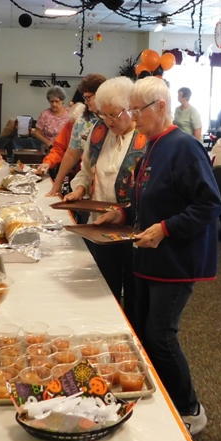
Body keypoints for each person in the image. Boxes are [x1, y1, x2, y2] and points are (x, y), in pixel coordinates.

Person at [97, 77, 221, 435]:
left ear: (161, 107)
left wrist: (166, 228)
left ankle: (190, 408)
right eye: (132, 110)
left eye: (138, 110)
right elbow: (149, 196)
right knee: (140, 329)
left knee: (160, 335)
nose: (134, 118)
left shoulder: (184, 147)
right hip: (148, 256)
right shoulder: (152, 144)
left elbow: (210, 204)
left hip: (176, 259)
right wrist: (122, 213)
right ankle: (157, 399)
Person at [64, 77, 147, 312]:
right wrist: (80, 188)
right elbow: (86, 170)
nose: (108, 120)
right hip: (100, 226)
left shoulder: (145, 138)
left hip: (134, 230)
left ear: (130, 109)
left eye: (114, 114)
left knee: (134, 293)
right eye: (104, 114)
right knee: (104, 288)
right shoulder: (98, 132)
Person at [47, 73, 105, 197]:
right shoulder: (83, 120)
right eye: (84, 98)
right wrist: (57, 183)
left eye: (89, 98)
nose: (86, 102)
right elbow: (71, 153)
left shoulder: (113, 120)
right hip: (88, 182)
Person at [37, 102, 85, 178]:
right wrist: (48, 162)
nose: (75, 128)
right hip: (73, 173)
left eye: (77, 125)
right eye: (73, 124)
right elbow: (59, 149)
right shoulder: (69, 125)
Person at [30, 85, 68, 149]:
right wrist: (47, 142)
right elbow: (36, 132)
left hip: (67, 148)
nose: (54, 104)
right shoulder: (45, 115)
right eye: (51, 101)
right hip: (50, 148)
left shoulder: (70, 113)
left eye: (57, 101)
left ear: (62, 101)